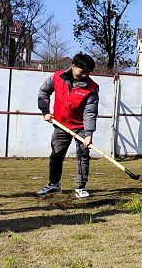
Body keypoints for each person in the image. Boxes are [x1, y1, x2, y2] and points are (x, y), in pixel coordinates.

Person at [35, 53, 99, 199]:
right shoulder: (57, 77)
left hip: (81, 127)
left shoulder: (92, 88)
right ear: (73, 66)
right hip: (61, 125)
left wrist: (88, 134)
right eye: (83, 71)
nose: (86, 75)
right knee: (56, 155)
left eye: (88, 72)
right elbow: (44, 91)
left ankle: (81, 187)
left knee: (83, 156)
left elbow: (90, 112)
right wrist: (45, 111)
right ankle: (53, 185)